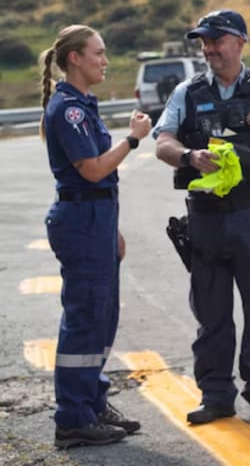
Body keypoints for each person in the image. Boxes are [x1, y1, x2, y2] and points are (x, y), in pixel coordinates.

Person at [154, 9, 250, 425]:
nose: (209, 49)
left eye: (216, 40)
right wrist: (189, 156)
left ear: (240, 42)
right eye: (204, 42)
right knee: (212, 315)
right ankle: (216, 396)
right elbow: (162, 142)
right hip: (204, 219)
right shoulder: (187, 92)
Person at [40, 24, 152, 448]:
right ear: (75, 58)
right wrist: (133, 140)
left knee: (102, 318)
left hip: (97, 220)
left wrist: (113, 230)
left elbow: (99, 180)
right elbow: (92, 170)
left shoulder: (83, 105)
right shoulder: (68, 109)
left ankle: (92, 401)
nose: (105, 61)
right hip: (82, 220)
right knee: (85, 319)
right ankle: (73, 418)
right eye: (98, 53)